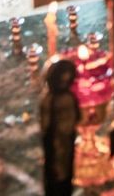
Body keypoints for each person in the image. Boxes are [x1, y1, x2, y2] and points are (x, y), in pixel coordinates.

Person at [39, 58, 80, 196]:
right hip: (55, 143)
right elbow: (46, 124)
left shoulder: (67, 98)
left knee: (65, 172)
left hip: (66, 143)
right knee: (55, 173)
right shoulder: (50, 100)